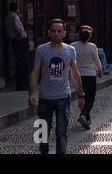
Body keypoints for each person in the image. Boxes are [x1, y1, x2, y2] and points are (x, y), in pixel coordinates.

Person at [28, 19, 85, 155]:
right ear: (49, 32)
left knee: (61, 131)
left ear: (64, 33)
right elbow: (35, 72)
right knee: (42, 132)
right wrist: (32, 93)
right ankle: (43, 150)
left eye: (59, 31)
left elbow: (75, 73)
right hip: (45, 97)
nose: (56, 33)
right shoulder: (41, 50)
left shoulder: (70, 50)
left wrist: (81, 94)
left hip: (63, 97)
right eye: (53, 31)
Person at [71, 25, 103, 130]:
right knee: (90, 97)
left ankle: (86, 119)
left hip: (77, 75)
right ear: (89, 37)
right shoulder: (92, 46)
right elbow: (96, 60)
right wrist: (100, 70)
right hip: (90, 74)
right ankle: (83, 115)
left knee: (82, 96)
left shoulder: (72, 46)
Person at [5, 2, 29, 91]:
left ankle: (20, 84)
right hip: (20, 40)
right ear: (16, 8)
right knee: (23, 63)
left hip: (14, 40)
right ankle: (23, 84)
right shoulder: (14, 16)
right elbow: (17, 28)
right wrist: (19, 36)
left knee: (19, 62)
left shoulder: (7, 17)